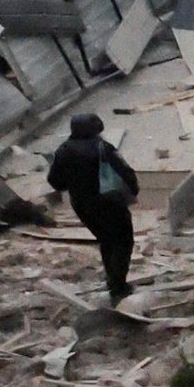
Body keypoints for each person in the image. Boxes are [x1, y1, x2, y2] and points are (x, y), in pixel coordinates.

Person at [48, 113, 140, 309]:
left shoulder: (63, 150)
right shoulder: (103, 148)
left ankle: (113, 279)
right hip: (110, 202)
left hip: (83, 206)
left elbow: (55, 181)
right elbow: (125, 172)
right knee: (123, 240)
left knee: (106, 240)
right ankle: (118, 286)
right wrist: (132, 191)